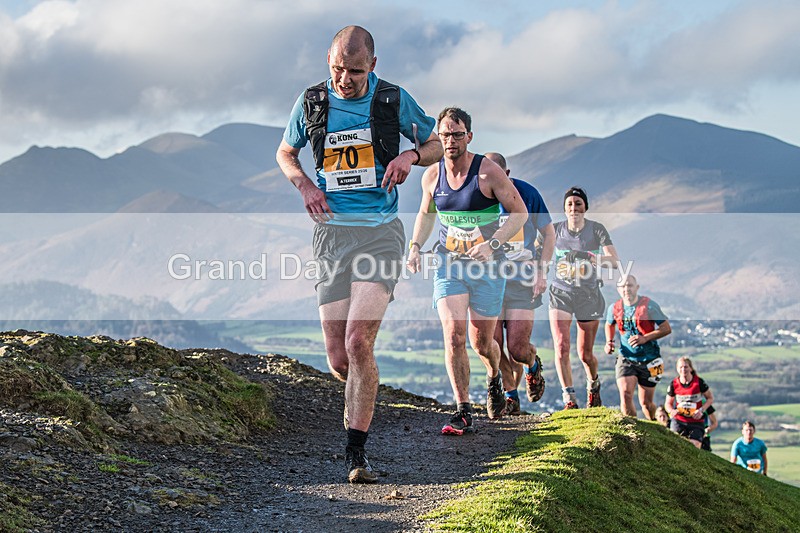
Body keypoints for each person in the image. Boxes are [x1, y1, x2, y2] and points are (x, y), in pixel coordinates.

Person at [276, 25, 442, 484]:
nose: (343, 79)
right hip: (332, 236)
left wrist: (410, 158)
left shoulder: (392, 99)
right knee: (338, 357)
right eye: (336, 69)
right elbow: (285, 153)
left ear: (372, 64)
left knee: (357, 342)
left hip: (379, 234)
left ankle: (356, 453)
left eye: (353, 70)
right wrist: (305, 184)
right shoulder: (312, 101)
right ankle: (364, 389)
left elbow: (433, 145)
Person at [407, 108, 527, 435]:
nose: (450, 141)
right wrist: (416, 245)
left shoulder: (487, 173)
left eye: (457, 135)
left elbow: (519, 213)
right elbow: (426, 213)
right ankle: (462, 409)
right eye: (444, 135)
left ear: (468, 137)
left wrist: (495, 244)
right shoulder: (431, 176)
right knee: (454, 334)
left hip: (487, 267)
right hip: (449, 263)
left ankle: (493, 376)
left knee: (482, 342)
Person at [483, 152, 554, 415]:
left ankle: (532, 364)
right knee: (494, 345)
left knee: (517, 349)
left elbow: (549, 233)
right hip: (488, 280)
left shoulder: (528, 193)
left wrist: (541, 272)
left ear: (507, 175)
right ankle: (511, 395)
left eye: (497, 175)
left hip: (521, 281)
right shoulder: (477, 197)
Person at [549, 186, 620, 409]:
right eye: (569, 204)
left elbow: (614, 262)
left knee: (585, 354)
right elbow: (535, 251)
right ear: (564, 208)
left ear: (585, 207)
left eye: (578, 204)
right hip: (560, 292)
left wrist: (586, 256)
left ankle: (593, 385)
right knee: (561, 346)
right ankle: (569, 398)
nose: (574, 208)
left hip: (588, 295)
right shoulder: (555, 230)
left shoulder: (596, 230)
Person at [604, 275, 671, 419]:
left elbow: (666, 328)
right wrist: (609, 341)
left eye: (630, 285)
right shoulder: (614, 308)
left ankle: (653, 422)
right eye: (623, 286)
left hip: (650, 359)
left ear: (637, 287)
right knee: (625, 393)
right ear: (618, 289)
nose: (626, 289)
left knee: (646, 403)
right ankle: (632, 429)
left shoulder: (649, 306)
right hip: (626, 357)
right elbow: (609, 324)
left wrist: (644, 338)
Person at [665, 357, 714, 449]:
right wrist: (671, 411)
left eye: (686, 367)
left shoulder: (699, 382)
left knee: (694, 447)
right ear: (677, 369)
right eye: (681, 367)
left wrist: (701, 410)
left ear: (691, 368)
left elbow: (710, 398)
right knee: (675, 445)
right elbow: (668, 403)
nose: (683, 370)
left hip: (696, 421)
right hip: (679, 420)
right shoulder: (674, 384)